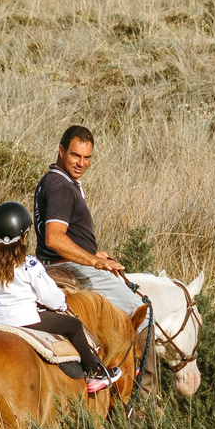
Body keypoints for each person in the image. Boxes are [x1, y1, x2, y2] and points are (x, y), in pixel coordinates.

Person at [0, 201, 120, 392]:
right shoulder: (29, 264)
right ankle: (96, 371)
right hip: (27, 321)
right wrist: (60, 304)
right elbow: (51, 297)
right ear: (25, 236)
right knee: (73, 326)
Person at [34, 124, 144, 320]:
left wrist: (93, 252)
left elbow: (66, 234)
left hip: (52, 264)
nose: (81, 163)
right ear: (61, 151)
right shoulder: (62, 187)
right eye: (75, 155)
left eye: (87, 158)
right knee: (141, 313)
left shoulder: (51, 180)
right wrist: (94, 261)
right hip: (71, 267)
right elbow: (54, 238)